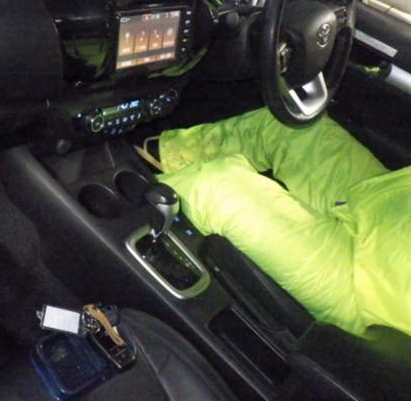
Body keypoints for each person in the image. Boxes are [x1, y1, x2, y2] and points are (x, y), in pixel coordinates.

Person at [142, 108, 410, 338]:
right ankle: (160, 156)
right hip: (383, 200)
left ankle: (128, 200)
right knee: (292, 124)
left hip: (369, 287)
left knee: (215, 188)